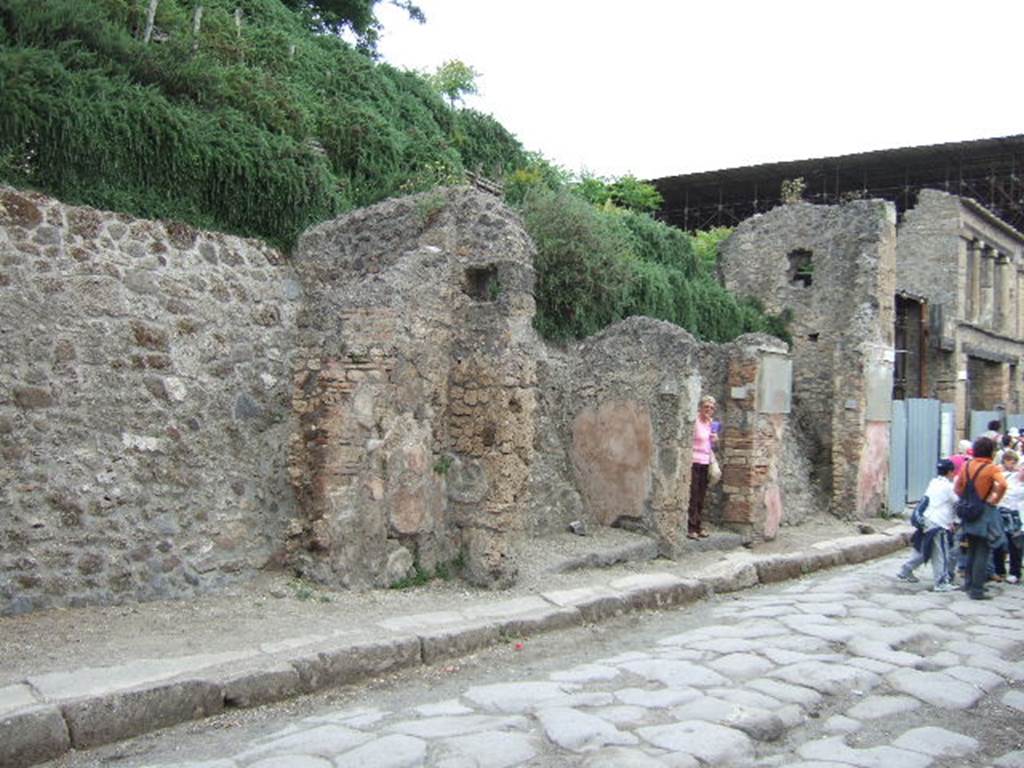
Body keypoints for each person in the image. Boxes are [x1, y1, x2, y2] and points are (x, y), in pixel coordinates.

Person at [954, 436, 1008, 600]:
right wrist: (995, 499)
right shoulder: (991, 468)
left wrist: (967, 499)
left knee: (971, 548)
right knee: (983, 551)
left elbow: (958, 487)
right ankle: (977, 589)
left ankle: (968, 583)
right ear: (991, 451)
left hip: (969, 509)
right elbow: (1003, 485)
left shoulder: (967, 465)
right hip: (984, 510)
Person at [896, 459, 958, 592]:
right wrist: (954, 521)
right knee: (941, 553)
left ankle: (905, 570)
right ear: (950, 472)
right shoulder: (948, 487)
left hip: (926, 520)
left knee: (923, 549)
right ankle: (941, 582)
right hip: (938, 523)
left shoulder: (933, 482)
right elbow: (956, 503)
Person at [687, 395, 719, 540]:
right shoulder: (695, 422)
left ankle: (698, 526)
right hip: (694, 462)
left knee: (701, 496)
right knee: (693, 495)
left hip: (706, 462)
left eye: (711, 408)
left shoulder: (711, 423)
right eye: (706, 407)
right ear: (700, 407)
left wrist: (714, 440)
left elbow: (710, 445)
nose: (709, 410)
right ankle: (691, 527)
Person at [994, 450, 1024, 584]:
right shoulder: (1000, 474)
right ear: (1005, 461)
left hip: (1015, 513)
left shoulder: (1019, 475)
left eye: (1014, 462)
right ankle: (999, 570)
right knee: (999, 542)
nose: (1013, 464)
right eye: (1010, 461)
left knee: (1015, 544)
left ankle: (1015, 572)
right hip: (1001, 511)